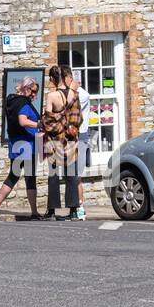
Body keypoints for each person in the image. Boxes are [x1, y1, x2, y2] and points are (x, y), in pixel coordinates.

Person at [0, 77, 42, 219]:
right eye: (33, 91)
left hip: (15, 145)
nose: (34, 95)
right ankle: (34, 212)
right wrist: (39, 125)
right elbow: (23, 121)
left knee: (13, 176)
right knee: (30, 178)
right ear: (26, 89)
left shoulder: (11, 101)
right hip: (27, 145)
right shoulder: (23, 103)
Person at [41, 66, 82, 221]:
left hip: (54, 141)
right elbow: (78, 118)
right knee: (71, 175)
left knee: (53, 175)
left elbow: (48, 121)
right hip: (70, 140)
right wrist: (68, 128)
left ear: (52, 79)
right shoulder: (74, 95)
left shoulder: (51, 96)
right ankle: (73, 211)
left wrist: (57, 126)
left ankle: (52, 211)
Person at [62, 65, 92, 220]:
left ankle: (80, 207)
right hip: (72, 137)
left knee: (76, 175)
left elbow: (66, 107)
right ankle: (76, 206)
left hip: (80, 136)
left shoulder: (82, 94)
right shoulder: (72, 93)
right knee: (70, 175)